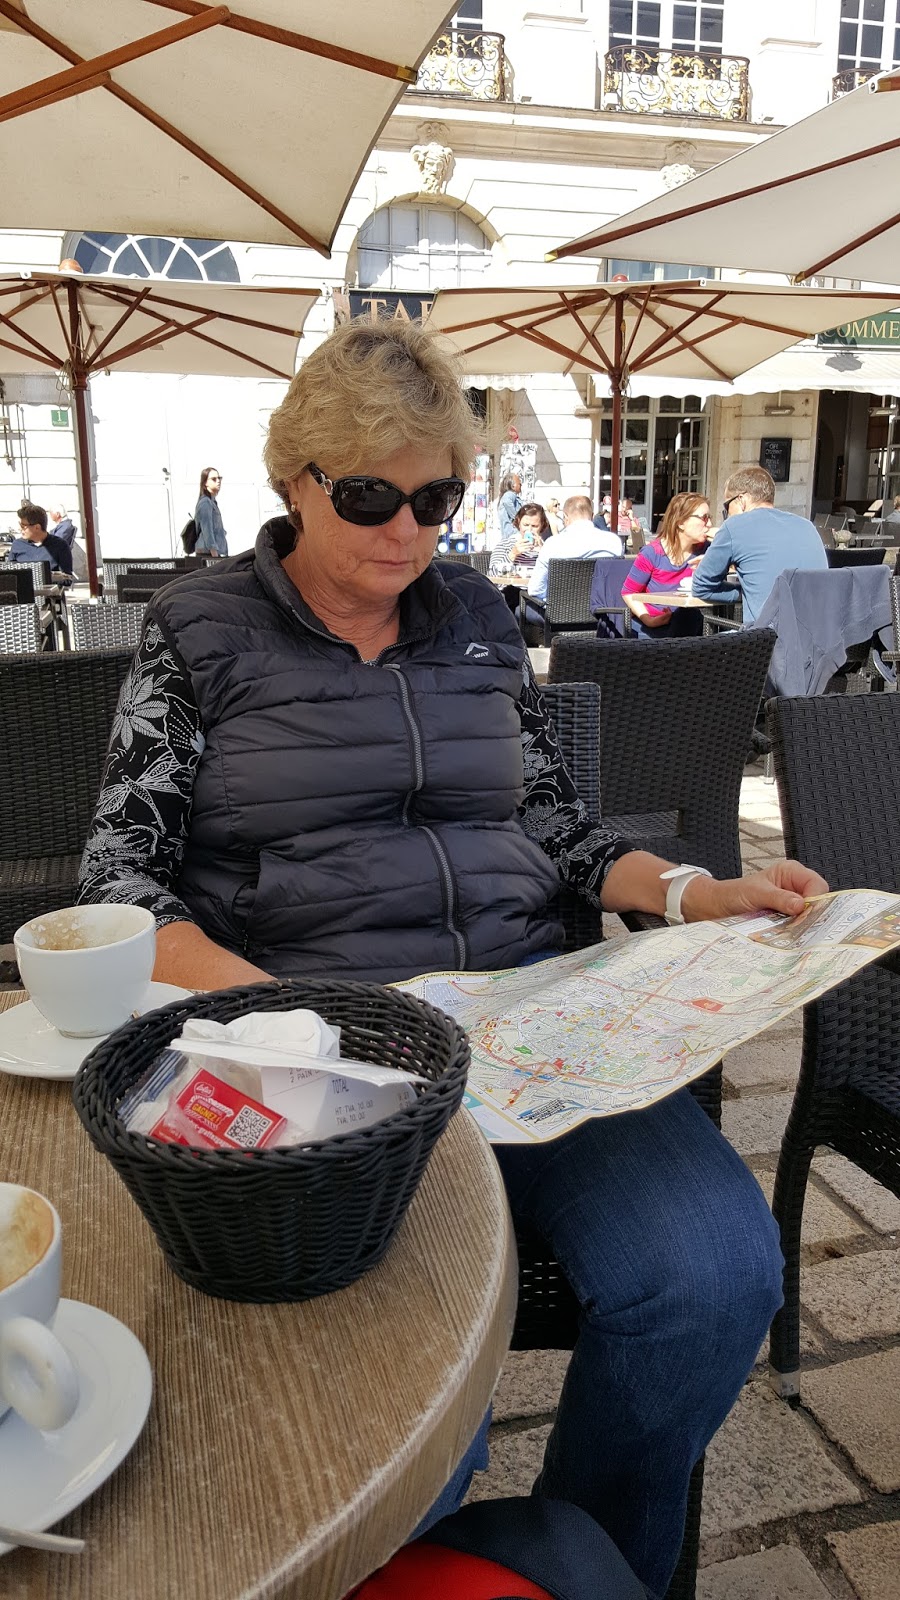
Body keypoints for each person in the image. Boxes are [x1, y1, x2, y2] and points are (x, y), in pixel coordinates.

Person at [77, 319, 826, 1599]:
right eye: (370, 496)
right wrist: (282, 1014)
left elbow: (556, 825)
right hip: (340, 1063)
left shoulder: (476, 613)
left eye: (435, 500)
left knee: (717, 1276)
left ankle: (578, 1561)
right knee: (417, 1426)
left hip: (534, 1025)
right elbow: (119, 878)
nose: (407, 531)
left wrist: (699, 891)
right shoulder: (200, 629)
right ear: (296, 478)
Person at [691, 465, 826, 624]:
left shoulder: (734, 526)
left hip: (769, 636)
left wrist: (745, 592)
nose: (726, 514)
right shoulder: (807, 527)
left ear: (741, 500)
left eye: (727, 506)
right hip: (819, 634)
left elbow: (701, 586)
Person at [622, 492, 712, 639]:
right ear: (681, 522)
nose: (709, 524)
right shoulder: (652, 553)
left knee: (689, 616)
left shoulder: (707, 551)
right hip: (654, 628)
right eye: (704, 518)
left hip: (689, 624)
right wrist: (649, 620)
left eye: (709, 518)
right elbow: (629, 592)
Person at [527, 494, 622, 602]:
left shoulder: (553, 544)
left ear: (565, 517)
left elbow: (535, 590)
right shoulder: (614, 542)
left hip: (560, 609)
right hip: (603, 608)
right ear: (592, 516)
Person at [7, 501, 73, 577]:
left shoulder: (60, 545)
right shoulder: (17, 545)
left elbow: (67, 577)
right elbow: (9, 574)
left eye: (23, 526)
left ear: (37, 527)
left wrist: (49, 577)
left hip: (50, 584)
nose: (19, 529)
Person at [504, 501, 550, 573]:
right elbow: (492, 574)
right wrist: (513, 554)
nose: (529, 529)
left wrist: (543, 553)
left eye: (534, 526)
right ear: (519, 522)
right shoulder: (506, 545)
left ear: (542, 525)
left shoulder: (548, 548)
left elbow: (556, 575)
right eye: (526, 525)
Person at [195, 467, 228, 557]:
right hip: (208, 553)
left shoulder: (212, 502)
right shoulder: (205, 503)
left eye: (219, 478)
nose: (218, 481)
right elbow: (207, 529)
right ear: (205, 483)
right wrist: (214, 552)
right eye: (214, 479)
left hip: (215, 552)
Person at [496, 473, 522, 552]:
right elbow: (507, 502)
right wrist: (517, 518)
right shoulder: (509, 494)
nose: (521, 485)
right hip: (513, 534)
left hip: (509, 535)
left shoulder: (509, 495)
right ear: (513, 486)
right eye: (519, 484)